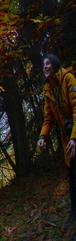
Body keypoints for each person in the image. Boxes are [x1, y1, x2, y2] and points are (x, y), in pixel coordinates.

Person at [37, 54, 76, 231]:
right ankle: (73, 214)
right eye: (43, 65)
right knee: (72, 178)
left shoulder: (68, 78)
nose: (45, 67)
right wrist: (43, 137)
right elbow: (48, 119)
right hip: (68, 140)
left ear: (55, 64)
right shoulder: (48, 89)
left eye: (47, 64)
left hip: (74, 136)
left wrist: (75, 138)